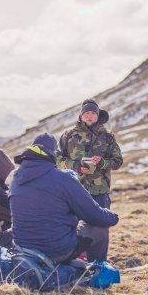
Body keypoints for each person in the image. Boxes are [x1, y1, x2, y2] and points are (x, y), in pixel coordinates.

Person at [10, 133, 119, 263]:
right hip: (56, 251)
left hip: (23, 250)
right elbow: (94, 214)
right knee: (99, 228)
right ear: (53, 152)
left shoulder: (15, 178)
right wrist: (113, 217)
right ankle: (96, 273)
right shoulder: (63, 179)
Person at [56, 99, 123, 261]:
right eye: (86, 113)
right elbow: (57, 159)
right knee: (72, 226)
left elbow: (118, 161)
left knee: (100, 227)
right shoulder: (68, 135)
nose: (90, 116)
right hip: (74, 188)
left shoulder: (108, 137)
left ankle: (99, 263)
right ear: (81, 116)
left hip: (99, 191)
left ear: (98, 116)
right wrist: (76, 166)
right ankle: (74, 261)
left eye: (93, 113)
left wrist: (103, 163)